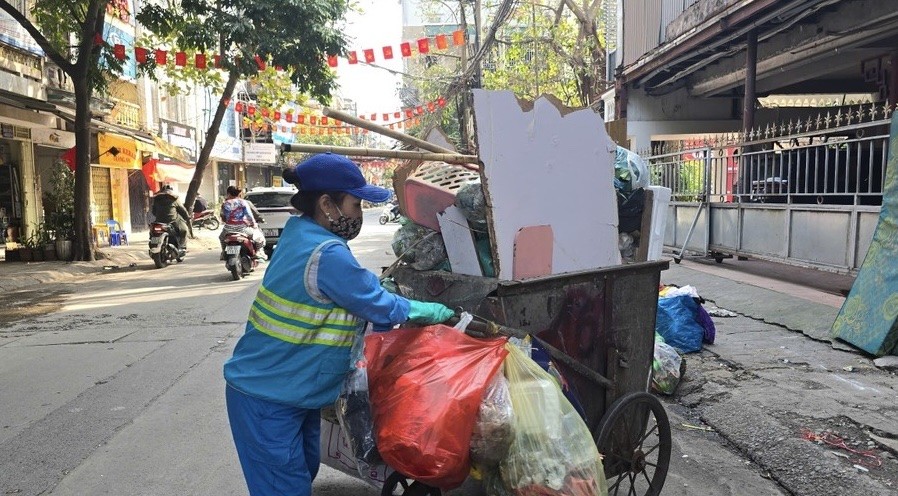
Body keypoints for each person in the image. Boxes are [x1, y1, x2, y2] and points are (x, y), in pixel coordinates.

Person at [223, 153, 454, 496]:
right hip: (267, 397)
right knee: (284, 488)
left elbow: (344, 291)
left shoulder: (300, 231)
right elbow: (379, 305)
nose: (359, 214)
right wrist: (433, 311)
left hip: (291, 391)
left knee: (301, 474)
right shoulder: (325, 253)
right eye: (356, 205)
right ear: (328, 205)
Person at [219, 186, 265, 259]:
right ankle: (259, 251)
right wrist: (254, 224)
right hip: (242, 229)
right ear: (239, 194)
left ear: (228, 194)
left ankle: (224, 252)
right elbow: (249, 215)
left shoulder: (225, 203)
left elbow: (223, 216)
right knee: (259, 237)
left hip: (228, 229)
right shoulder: (243, 202)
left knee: (221, 238)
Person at [150, 184, 189, 250]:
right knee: (184, 230)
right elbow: (182, 210)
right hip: (173, 221)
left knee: (153, 232)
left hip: (159, 222)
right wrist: (187, 217)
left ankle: (153, 245)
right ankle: (182, 246)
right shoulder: (174, 199)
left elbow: (154, 212)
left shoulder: (156, 199)